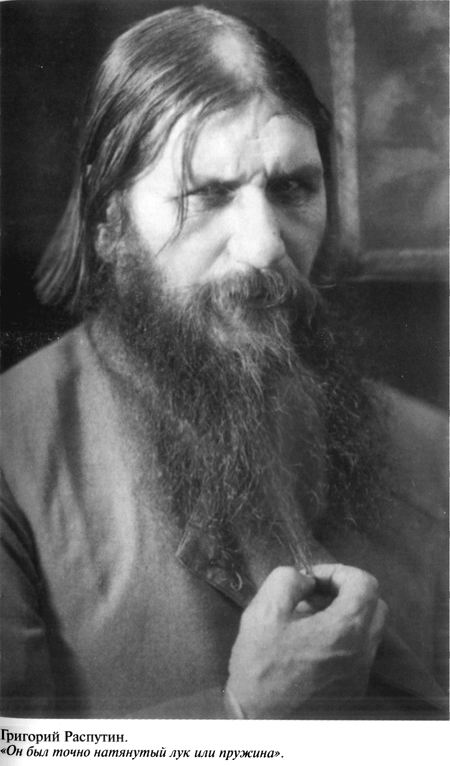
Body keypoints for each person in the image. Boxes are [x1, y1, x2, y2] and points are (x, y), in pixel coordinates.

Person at [1, 5, 447, 720]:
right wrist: (244, 714)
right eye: (206, 196)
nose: (265, 246)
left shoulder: (432, 450)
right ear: (110, 222)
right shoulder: (13, 454)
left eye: (292, 188)